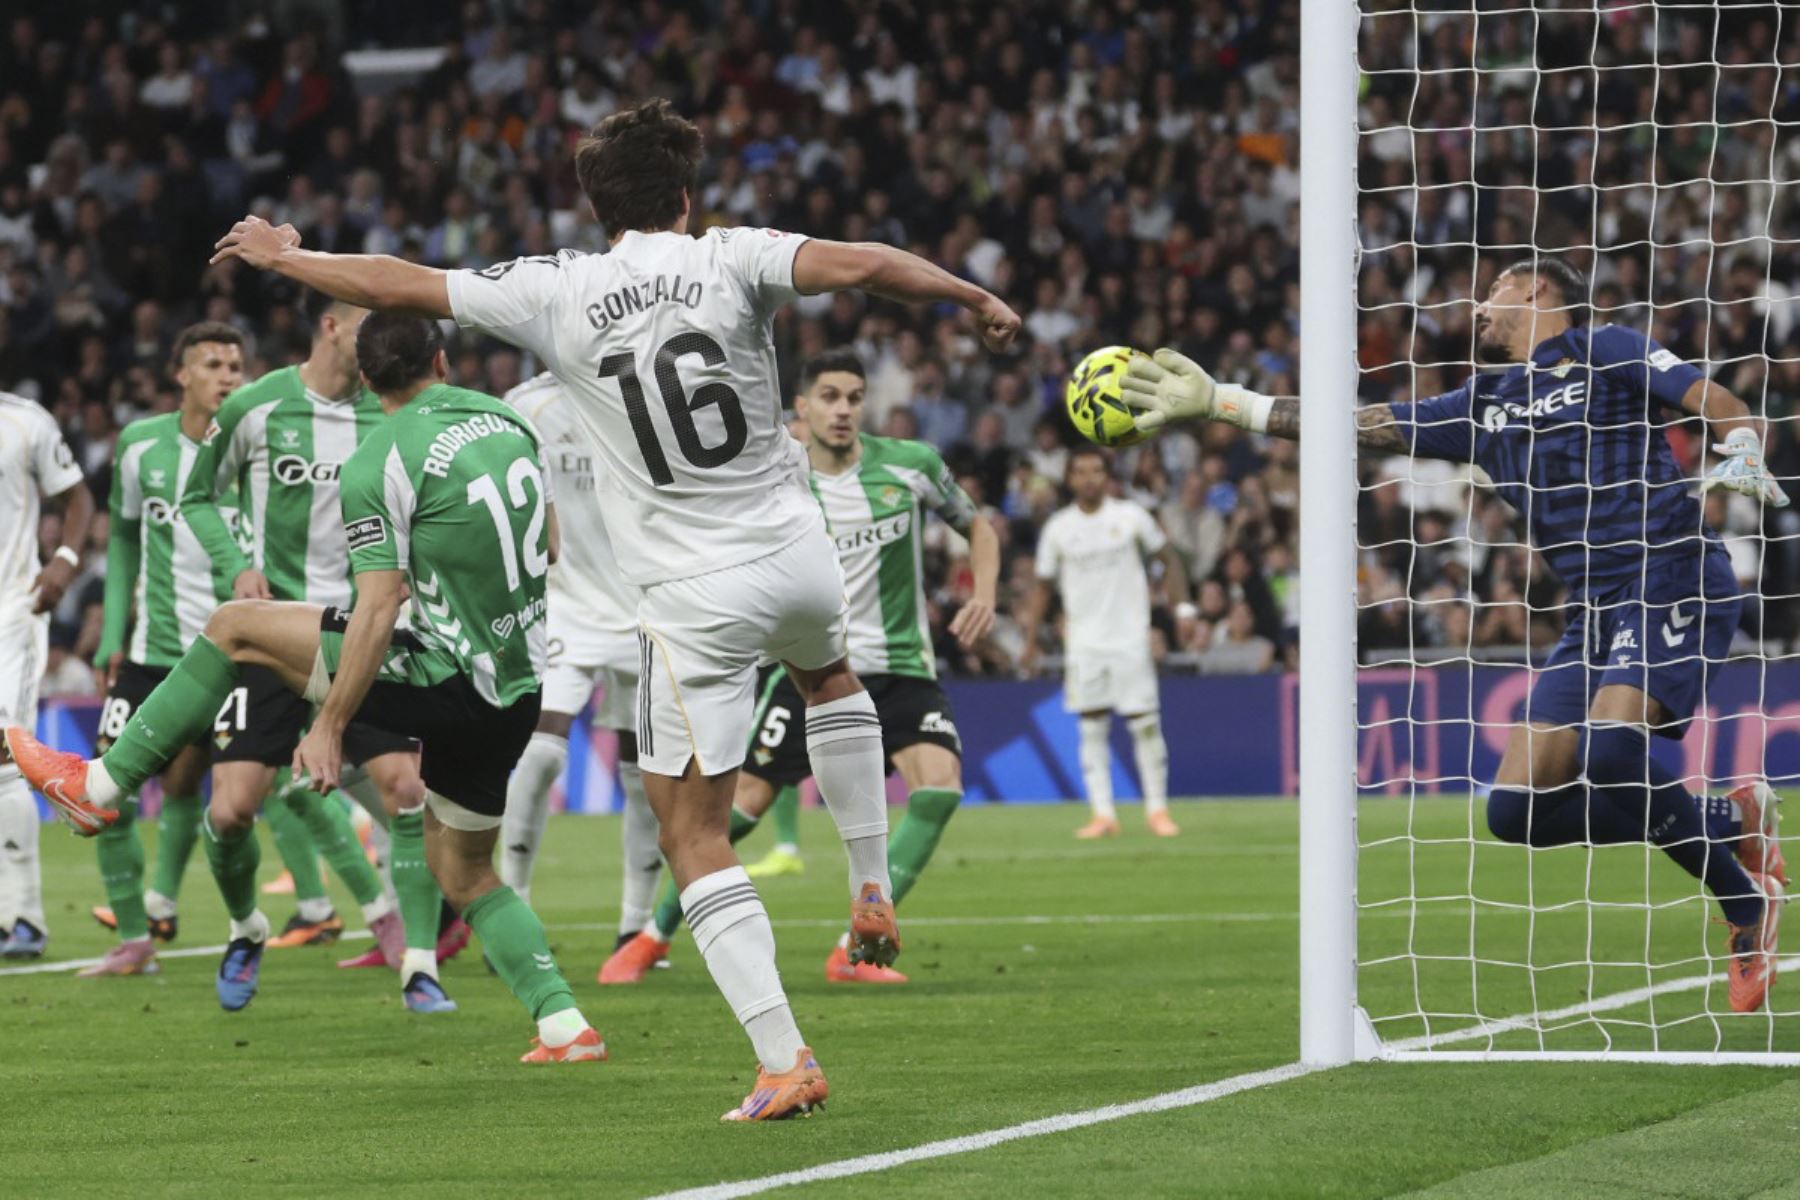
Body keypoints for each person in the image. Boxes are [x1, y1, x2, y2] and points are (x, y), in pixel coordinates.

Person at [196, 98, 1019, 1120]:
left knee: (694, 834)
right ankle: (869, 874)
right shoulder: (735, 255)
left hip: (691, 591)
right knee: (830, 676)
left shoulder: (558, 287)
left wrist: (288, 257)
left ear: (597, 207)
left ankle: (782, 1060)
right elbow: (866, 262)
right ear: (685, 196)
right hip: (798, 549)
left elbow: (402, 283)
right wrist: (969, 293)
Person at [1120, 256, 1792, 1013]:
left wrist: (1740, 451)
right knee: (1516, 812)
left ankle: (1744, 905)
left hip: (1671, 573)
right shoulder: (1484, 403)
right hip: (1595, 608)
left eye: (1495, 286)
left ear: (1537, 287)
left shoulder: (1602, 348)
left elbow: (1721, 401)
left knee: (1611, 753)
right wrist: (1226, 403)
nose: (1479, 304)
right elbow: (1365, 425)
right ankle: (1728, 818)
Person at [8, 313, 603, 1059]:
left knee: (235, 625)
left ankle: (98, 785)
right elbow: (547, 544)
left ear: (367, 377)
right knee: (466, 872)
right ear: (442, 359)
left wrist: (327, 725)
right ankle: (562, 1023)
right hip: (517, 688)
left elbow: (378, 607)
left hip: (442, 672)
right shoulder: (504, 417)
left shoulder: (377, 458)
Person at [602, 348, 999, 986]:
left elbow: (979, 527)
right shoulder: (777, 477)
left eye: (854, 397)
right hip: (808, 670)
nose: (844, 410)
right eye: (831, 397)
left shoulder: (912, 465)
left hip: (903, 667)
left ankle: (854, 945)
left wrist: (983, 596)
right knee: (739, 812)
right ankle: (654, 934)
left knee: (940, 789)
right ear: (803, 408)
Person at [173, 292, 443, 1012]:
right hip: (272, 632)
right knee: (231, 811)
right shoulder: (257, 407)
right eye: (367, 328)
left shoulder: (390, 414)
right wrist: (236, 563)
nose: (382, 342)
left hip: (360, 632)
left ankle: (420, 964)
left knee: (406, 790)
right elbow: (198, 495)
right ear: (331, 328)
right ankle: (245, 927)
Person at [82, 322, 245, 975]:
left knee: (197, 788)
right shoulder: (139, 445)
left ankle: (160, 913)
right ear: (182, 374)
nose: (227, 376)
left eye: (236, 364)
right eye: (212, 364)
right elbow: (122, 542)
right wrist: (111, 638)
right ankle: (135, 935)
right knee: (99, 792)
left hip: (227, 655)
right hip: (150, 655)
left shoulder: (253, 444)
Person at [497, 371, 660, 965]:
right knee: (540, 752)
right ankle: (512, 909)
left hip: (644, 601)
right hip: (564, 600)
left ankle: (634, 928)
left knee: (644, 774)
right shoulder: (526, 405)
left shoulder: (647, 390)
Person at [1020, 447, 1188, 839]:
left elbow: (1170, 557)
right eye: (1081, 471)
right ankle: (1103, 814)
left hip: (1130, 638)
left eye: (1097, 470)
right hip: (1085, 643)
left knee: (1145, 725)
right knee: (1092, 727)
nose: (1089, 478)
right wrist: (1030, 639)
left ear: (1107, 477)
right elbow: (1043, 587)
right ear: (1070, 478)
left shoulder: (1129, 517)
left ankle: (1157, 810)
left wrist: (1183, 611)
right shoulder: (1059, 528)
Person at [0, 392, 94, 959]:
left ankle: (24, 915)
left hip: (11, 608)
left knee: (5, 752)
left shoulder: (24, 419)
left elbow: (77, 496)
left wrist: (65, 560)